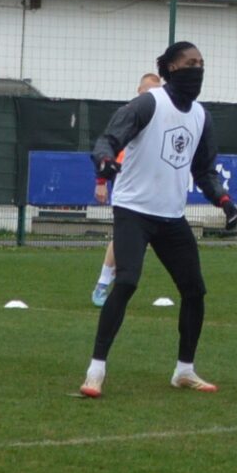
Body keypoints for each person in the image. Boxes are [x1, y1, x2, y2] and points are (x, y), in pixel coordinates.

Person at [81, 44, 237, 398]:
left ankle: (184, 370)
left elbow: (204, 171)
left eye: (201, 63)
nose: (197, 69)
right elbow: (107, 140)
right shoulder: (149, 103)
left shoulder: (201, 116)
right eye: (190, 64)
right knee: (126, 282)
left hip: (171, 217)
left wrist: (224, 200)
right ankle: (95, 370)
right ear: (170, 68)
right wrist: (105, 161)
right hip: (133, 211)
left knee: (195, 290)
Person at [91, 72, 164, 307]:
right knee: (123, 238)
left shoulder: (162, 118)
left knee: (145, 240)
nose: (153, 96)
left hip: (152, 187)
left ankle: (116, 283)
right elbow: (106, 147)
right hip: (126, 185)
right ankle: (103, 284)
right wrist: (101, 182)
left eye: (157, 92)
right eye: (149, 91)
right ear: (139, 91)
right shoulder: (128, 115)